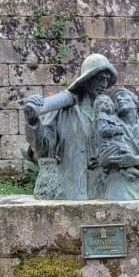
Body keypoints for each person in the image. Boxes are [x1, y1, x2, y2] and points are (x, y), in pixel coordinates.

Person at [23, 54, 117, 200]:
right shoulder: (63, 108)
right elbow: (44, 148)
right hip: (71, 188)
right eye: (100, 78)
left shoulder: (110, 109)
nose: (104, 84)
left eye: (107, 79)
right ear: (86, 80)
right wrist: (33, 122)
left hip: (106, 190)